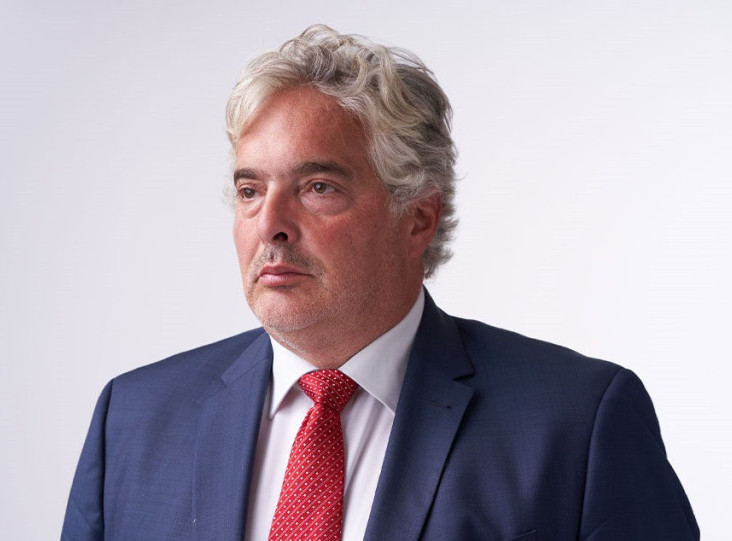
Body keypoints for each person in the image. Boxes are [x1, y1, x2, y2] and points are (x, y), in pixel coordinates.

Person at [61, 25, 699, 541]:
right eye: (250, 190)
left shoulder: (577, 421)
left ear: (418, 217)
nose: (270, 224)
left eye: (318, 187)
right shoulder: (134, 418)